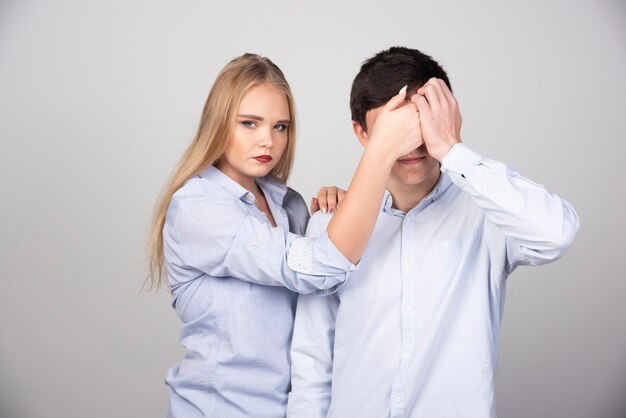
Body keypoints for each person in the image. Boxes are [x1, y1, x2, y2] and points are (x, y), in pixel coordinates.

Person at [287, 46, 580, 418]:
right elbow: (311, 362)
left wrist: (453, 149)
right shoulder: (327, 224)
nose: (412, 145)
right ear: (362, 134)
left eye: (421, 125)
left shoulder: (487, 212)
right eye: (393, 132)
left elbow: (557, 234)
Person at [146, 53, 422, 417]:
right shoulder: (199, 208)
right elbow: (318, 265)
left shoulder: (287, 203)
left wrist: (337, 208)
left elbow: (319, 309)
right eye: (249, 123)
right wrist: (381, 151)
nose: (268, 141)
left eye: (280, 127)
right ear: (218, 122)